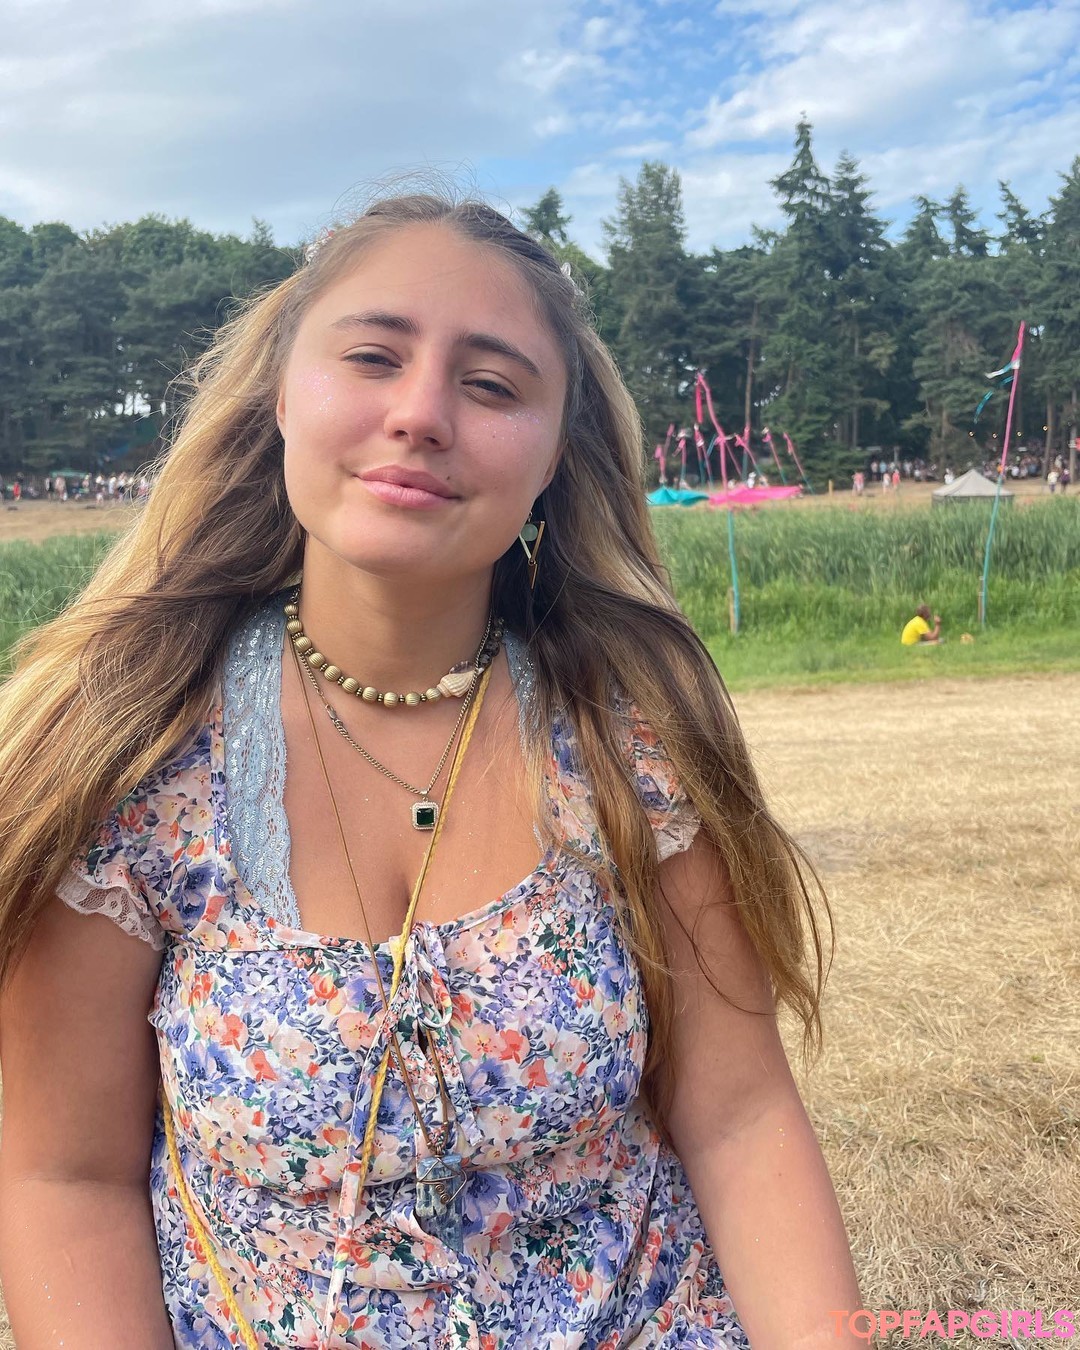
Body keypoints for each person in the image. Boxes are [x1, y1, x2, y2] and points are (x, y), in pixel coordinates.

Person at [0, 194, 861, 1348]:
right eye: (372, 357)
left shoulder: (632, 740)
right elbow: (64, 1178)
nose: (419, 413)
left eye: (492, 385)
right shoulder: (129, 754)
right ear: (281, 395)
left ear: (554, 457)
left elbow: (741, 1118)